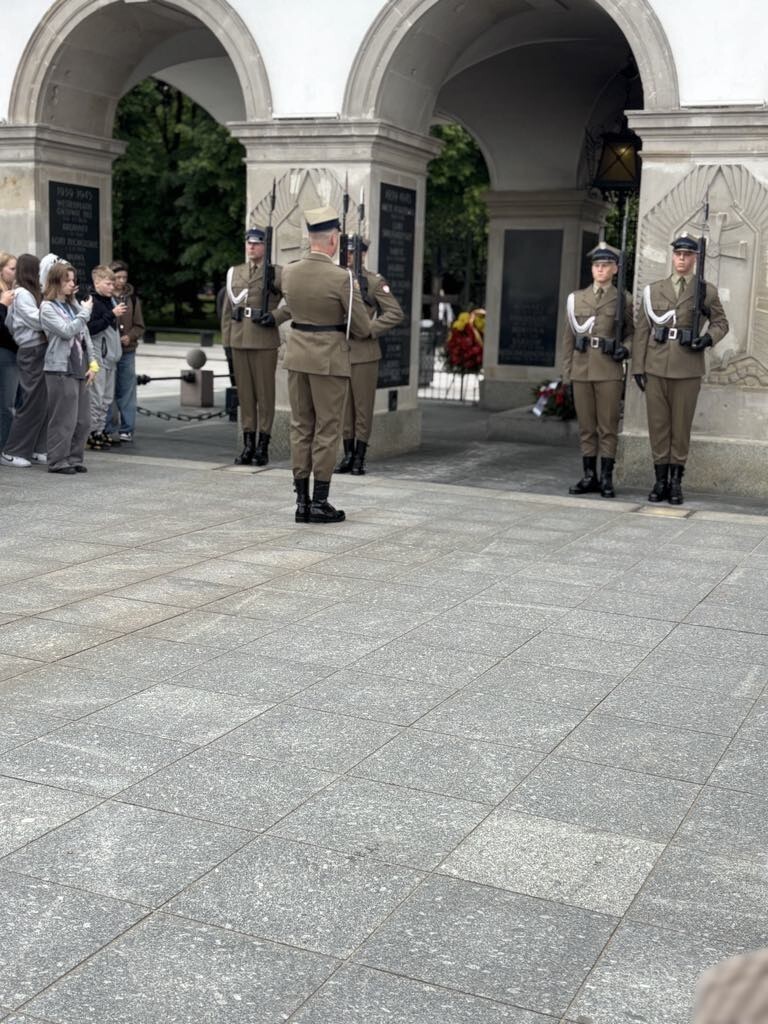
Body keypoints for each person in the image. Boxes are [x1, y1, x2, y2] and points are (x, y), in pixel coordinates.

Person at [280, 205, 372, 524]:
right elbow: (361, 327)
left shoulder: (289, 272)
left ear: (310, 238)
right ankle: (320, 501)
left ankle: (301, 502)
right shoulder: (341, 278)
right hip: (329, 360)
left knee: (300, 427)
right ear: (333, 240)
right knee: (327, 429)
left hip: (297, 356)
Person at [632, 233, 729, 505]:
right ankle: (660, 480)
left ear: (695, 258)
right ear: (673, 256)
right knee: (658, 425)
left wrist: (707, 339)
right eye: (678, 254)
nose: (682, 259)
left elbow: (721, 323)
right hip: (655, 366)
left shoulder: (705, 291)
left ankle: (676, 482)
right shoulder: (654, 290)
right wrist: (638, 367)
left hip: (687, 367)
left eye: (687, 255)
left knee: (681, 426)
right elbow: (642, 331)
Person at [561, 242, 633, 498]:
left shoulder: (623, 299)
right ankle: (589, 475)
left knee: (608, 426)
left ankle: (606, 477)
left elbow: (632, 334)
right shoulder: (576, 299)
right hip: (581, 369)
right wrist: (567, 375)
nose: (600, 269)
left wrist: (625, 349)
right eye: (596, 265)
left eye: (606, 265)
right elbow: (568, 339)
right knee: (586, 426)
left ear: (615, 269)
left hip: (608, 369)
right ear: (592, 269)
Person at [221, 227, 289, 467]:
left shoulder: (276, 273)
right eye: (249, 243)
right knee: (245, 394)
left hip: (263, 339)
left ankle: (263, 446)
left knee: (264, 394)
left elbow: (294, 302)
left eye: (257, 243)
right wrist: (227, 342)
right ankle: (248, 444)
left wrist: (276, 316)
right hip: (239, 339)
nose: (251, 247)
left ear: (265, 246)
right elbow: (228, 311)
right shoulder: (235, 272)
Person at [337, 239, 404, 475]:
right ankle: (347, 455)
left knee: (362, 408)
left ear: (363, 254)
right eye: (346, 251)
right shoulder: (335, 278)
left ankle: (359, 457)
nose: (348, 256)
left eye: (353, 252)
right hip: (339, 351)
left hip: (364, 353)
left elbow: (395, 313)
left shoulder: (374, 281)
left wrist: (370, 329)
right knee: (344, 408)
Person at [40, 262, 97, 474]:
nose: (72, 284)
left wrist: (93, 363)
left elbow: (85, 335)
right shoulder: (47, 307)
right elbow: (66, 330)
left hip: (79, 366)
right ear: (56, 281)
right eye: (68, 280)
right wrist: (85, 312)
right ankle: (57, 461)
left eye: (73, 280)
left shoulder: (72, 305)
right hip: (60, 368)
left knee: (83, 420)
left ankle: (74, 458)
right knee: (63, 419)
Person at [1, 253, 47, 468]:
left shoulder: (27, 293)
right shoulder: (21, 294)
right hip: (30, 349)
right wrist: (55, 315)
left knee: (40, 402)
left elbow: (11, 322)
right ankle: (12, 450)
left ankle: (35, 447)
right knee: (29, 402)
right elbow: (35, 320)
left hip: (32, 349)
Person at [87, 265, 126, 451]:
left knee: (106, 399)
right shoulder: (92, 302)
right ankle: (91, 432)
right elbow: (89, 328)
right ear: (97, 283)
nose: (112, 286)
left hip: (111, 358)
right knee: (96, 397)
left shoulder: (110, 301)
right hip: (99, 358)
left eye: (113, 283)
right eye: (108, 283)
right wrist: (111, 314)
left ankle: (99, 429)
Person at [107, 260, 144, 443]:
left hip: (127, 350)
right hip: (108, 350)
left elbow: (139, 326)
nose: (121, 281)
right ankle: (107, 427)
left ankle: (127, 428)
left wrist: (130, 336)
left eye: (124, 277)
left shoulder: (132, 299)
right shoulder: (105, 297)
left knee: (127, 390)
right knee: (107, 390)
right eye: (118, 277)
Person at [0, 252, 17, 450]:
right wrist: (3, 305)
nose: (15, 273)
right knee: (6, 405)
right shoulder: (3, 295)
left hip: (11, 351)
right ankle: (4, 448)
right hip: (5, 351)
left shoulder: (13, 291)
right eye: (12, 268)